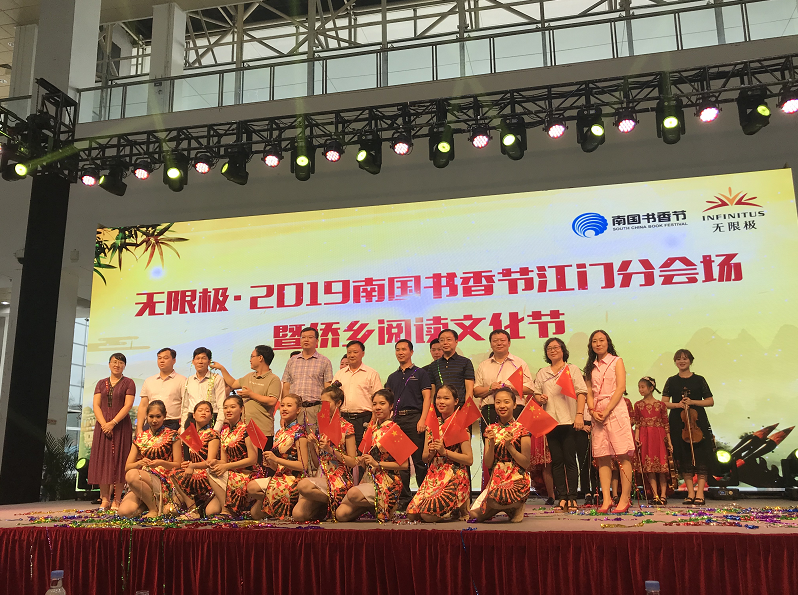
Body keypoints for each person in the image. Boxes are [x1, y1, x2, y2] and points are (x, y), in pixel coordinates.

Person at [335, 389, 409, 521]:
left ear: (391, 406)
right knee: (341, 514)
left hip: (387, 481)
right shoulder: (372, 428)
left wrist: (378, 464)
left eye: (382, 403)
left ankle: (389, 502)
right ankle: (374, 506)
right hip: (369, 479)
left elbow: (404, 465)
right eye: (374, 404)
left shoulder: (394, 429)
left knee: (353, 494)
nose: (377, 407)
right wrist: (362, 460)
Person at [533, 337, 588, 511]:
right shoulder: (542, 372)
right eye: (549, 348)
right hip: (550, 422)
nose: (553, 350)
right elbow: (536, 393)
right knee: (556, 461)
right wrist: (539, 398)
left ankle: (573, 497)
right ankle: (561, 497)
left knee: (570, 460)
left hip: (569, 420)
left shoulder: (572, 369)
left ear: (563, 350)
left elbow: (581, 392)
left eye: (556, 347)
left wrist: (579, 415)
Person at [473, 329, 534, 490]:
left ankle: (517, 487)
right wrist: (490, 388)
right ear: (491, 344)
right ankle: (493, 487)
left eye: (502, 340)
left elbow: (530, 388)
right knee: (491, 450)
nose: (499, 343)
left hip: (515, 410)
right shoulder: (484, 365)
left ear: (509, 343)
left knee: (515, 447)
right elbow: (476, 391)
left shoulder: (519, 363)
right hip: (490, 410)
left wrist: (510, 388)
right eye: (495, 341)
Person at [584, 329, 635, 514]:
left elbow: (621, 388)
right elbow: (589, 392)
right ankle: (606, 499)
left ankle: (624, 498)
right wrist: (592, 410)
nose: (598, 344)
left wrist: (606, 411)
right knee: (602, 456)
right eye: (594, 341)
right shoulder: (590, 367)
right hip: (597, 413)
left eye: (601, 340)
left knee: (622, 454)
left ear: (608, 342)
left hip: (615, 410)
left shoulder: (616, 361)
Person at [407, 384, 472, 522]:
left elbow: (469, 459)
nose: (441, 402)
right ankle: (450, 509)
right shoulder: (432, 424)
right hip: (433, 474)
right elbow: (425, 458)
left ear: (456, 401)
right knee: (412, 513)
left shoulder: (460, 424)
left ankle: (456, 506)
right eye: (438, 398)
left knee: (426, 515)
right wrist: (431, 453)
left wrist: (444, 452)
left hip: (454, 474)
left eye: (446, 398)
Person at [293, 385, 358, 521]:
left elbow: (353, 462)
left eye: (327, 403)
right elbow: (317, 463)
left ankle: (338, 500)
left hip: (338, 478)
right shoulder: (322, 427)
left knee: (303, 485)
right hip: (321, 477)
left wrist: (331, 450)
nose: (324, 407)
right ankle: (326, 506)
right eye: (322, 403)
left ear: (338, 403)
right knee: (298, 514)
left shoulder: (347, 427)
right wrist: (312, 445)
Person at [661, 349, 715, 506]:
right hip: (679, 422)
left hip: (697, 421)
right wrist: (678, 405)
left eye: (685, 358)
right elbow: (663, 403)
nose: (682, 361)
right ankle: (690, 493)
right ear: (675, 362)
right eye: (678, 359)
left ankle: (700, 493)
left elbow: (710, 401)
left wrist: (692, 402)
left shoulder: (699, 379)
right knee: (684, 457)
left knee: (701, 457)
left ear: (690, 361)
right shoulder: (671, 380)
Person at [470, 386, 531, 522]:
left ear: (514, 405)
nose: (502, 406)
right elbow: (488, 464)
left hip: (516, 479)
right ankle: (507, 507)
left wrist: (510, 447)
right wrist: (491, 442)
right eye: (498, 402)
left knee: (493, 499)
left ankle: (518, 505)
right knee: (474, 514)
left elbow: (526, 463)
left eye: (506, 402)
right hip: (497, 479)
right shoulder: (490, 429)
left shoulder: (522, 429)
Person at [385, 339, 433, 510]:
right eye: (397, 349)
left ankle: (423, 496)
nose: (400, 352)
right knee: (401, 463)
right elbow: (388, 400)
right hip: (397, 421)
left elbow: (427, 397)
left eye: (404, 349)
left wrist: (423, 419)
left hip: (415, 419)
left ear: (411, 352)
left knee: (419, 461)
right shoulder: (392, 377)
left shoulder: (421, 373)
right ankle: (404, 498)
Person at [87, 352, 136, 511]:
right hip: (103, 427)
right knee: (103, 461)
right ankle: (105, 499)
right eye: (114, 362)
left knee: (120, 460)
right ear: (109, 364)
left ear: (124, 366)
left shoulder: (129, 383)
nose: (117, 365)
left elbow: (128, 405)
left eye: (121, 363)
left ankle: (117, 499)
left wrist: (113, 423)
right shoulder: (100, 383)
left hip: (120, 425)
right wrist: (104, 424)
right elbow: (96, 405)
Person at [248, 394, 309, 520]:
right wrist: (270, 463)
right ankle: (279, 506)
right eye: (282, 405)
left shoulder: (300, 432)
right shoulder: (280, 432)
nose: (284, 408)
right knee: (255, 513)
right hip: (280, 476)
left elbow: (303, 466)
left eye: (289, 405)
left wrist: (276, 459)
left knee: (253, 488)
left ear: (298, 410)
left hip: (294, 479)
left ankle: (288, 505)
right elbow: (278, 466)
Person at [118, 400, 182, 518]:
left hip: (163, 478)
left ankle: (153, 509)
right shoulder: (140, 437)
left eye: (158, 416)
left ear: (164, 416)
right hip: (141, 479)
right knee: (124, 512)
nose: (154, 420)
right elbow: (128, 466)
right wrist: (139, 463)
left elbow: (178, 464)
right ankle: (148, 504)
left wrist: (161, 463)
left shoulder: (172, 435)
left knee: (132, 475)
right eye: (151, 416)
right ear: (146, 416)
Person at [210, 345, 281, 450]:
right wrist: (221, 368)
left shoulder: (273, 379)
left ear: (260, 358)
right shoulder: (249, 376)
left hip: (262, 430)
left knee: (261, 459)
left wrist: (251, 395)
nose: (250, 360)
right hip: (244, 430)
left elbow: (272, 401)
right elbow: (233, 383)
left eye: (252, 356)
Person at [207, 394, 259, 516]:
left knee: (211, 472)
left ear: (241, 409)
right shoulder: (224, 432)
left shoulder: (248, 429)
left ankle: (227, 511)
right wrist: (215, 462)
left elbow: (253, 459)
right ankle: (228, 506)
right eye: (225, 407)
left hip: (247, 474)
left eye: (232, 407)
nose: (228, 410)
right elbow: (224, 461)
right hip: (231, 474)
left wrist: (226, 466)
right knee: (210, 511)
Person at [170, 401, 221, 517]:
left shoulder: (212, 434)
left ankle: (193, 510)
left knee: (175, 473)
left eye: (207, 411)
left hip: (207, 472)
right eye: (200, 410)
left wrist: (192, 466)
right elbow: (189, 460)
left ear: (211, 416)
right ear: (193, 415)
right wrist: (186, 464)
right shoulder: (191, 435)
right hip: (193, 470)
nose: (204, 413)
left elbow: (210, 462)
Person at [281, 327, 333, 428]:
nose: (306, 340)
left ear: (317, 341)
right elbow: (286, 387)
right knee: (292, 437)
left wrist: (327, 413)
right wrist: (284, 414)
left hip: (315, 409)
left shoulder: (325, 361)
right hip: (294, 410)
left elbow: (327, 389)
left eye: (310, 337)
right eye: (303, 337)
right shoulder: (292, 361)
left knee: (314, 437)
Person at [334, 340, 382, 448]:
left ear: (363, 354)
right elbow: (333, 397)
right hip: (344, 419)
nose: (351, 355)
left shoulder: (371, 373)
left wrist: (373, 421)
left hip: (364, 419)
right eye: (349, 352)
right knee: (344, 450)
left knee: (362, 451)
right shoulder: (339, 374)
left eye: (355, 352)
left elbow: (378, 399)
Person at [634, 377, 672, 505]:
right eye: (639, 387)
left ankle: (663, 495)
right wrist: (637, 437)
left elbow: (666, 424)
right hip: (645, 437)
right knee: (649, 468)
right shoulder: (638, 405)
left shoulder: (661, 405)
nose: (640, 389)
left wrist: (669, 442)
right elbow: (637, 423)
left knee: (661, 468)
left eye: (643, 387)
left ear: (651, 388)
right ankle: (655, 495)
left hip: (659, 437)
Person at [138, 348, 187, 434]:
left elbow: (185, 405)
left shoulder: (182, 380)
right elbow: (143, 405)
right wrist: (139, 428)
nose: (162, 361)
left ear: (174, 360)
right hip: (151, 424)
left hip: (172, 424)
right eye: (159, 358)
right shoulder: (149, 381)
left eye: (165, 358)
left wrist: (183, 426)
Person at [182, 347, 226, 432]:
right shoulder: (189, 380)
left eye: (203, 358)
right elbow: (185, 407)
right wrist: (183, 429)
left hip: (210, 419)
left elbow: (221, 406)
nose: (200, 361)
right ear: (193, 362)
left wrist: (217, 428)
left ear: (209, 362)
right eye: (197, 358)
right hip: (191, 420)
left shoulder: (217, 379)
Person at [431, 329, 475, 406]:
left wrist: (467, 408)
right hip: (440, 407)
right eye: (442, 340)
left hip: (460, 407)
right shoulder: (434, 365)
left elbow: (469, 389)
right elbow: (432, 391)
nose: (445, 343)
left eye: (449, 339)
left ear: (456, 342)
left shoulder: (465, 362)